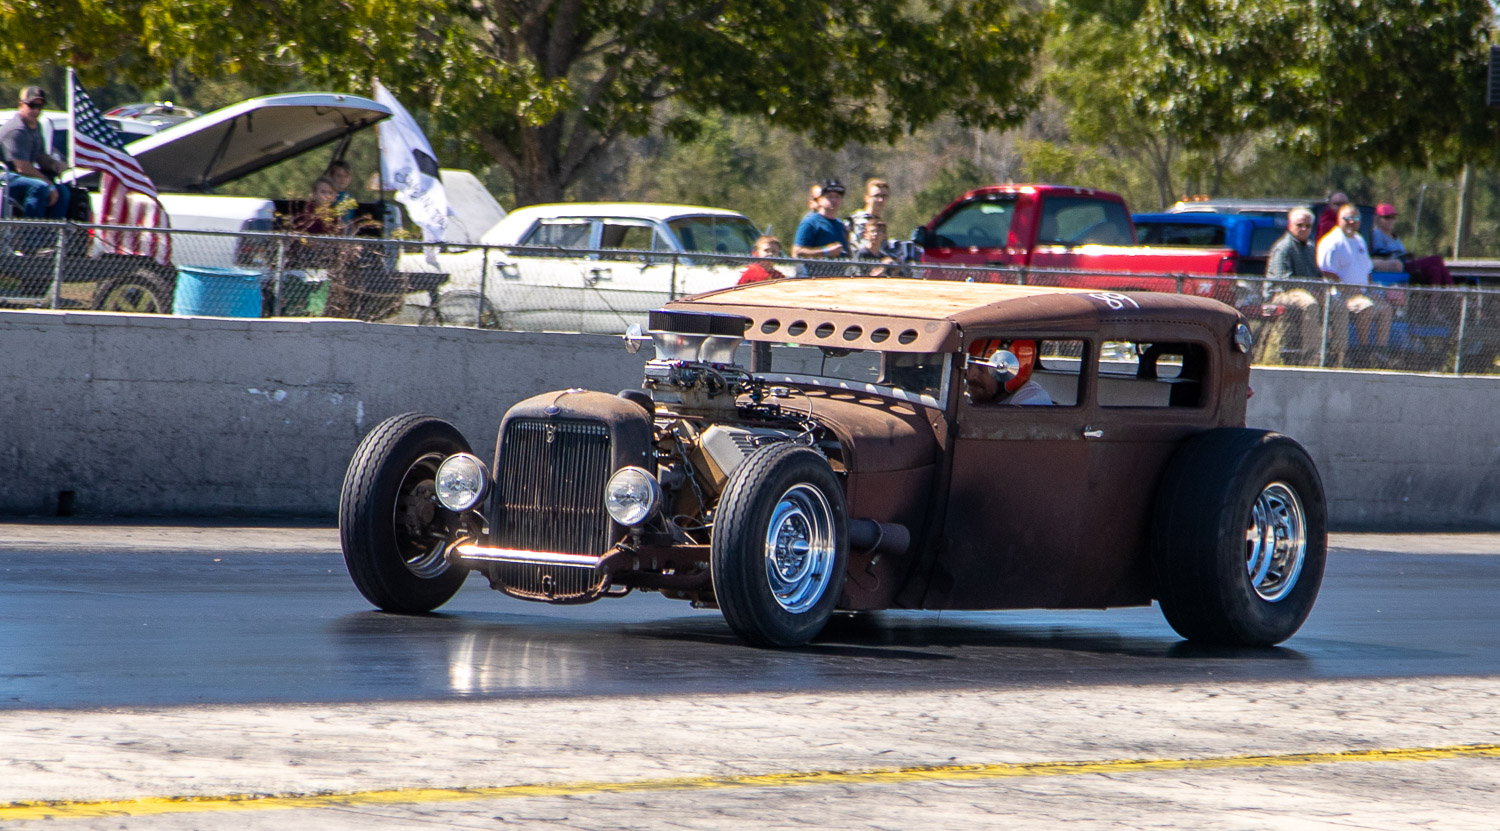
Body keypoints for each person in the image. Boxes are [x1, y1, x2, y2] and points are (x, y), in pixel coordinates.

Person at [1261, 207, 1349, 366]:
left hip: (1306, 291)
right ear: (1290, 225)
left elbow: (1317, 276)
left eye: (1308, 226)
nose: (1303, 229)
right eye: (1299, 225)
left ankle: (1339, 354)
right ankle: (1312, 354)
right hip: (1280, 294)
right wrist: (1312, 290)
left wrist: (1321, 290)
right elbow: (1283, 280)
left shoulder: (1310, 248)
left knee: (1338, 305)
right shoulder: (1283, 247)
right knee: (1310, 304)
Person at [1318, 203, 1392, 357]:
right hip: (1340, 296)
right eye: (1347, 218)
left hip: (1362, 294)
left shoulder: (1359, 239)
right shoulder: (1332, 241)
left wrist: (1372, 290)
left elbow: (1368, 269)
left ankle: (1381, 352)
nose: (1352, 222)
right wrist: (1346, 288)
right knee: (1366, 307)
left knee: (1386, 309)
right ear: (1339, 219)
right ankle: (1363, 351)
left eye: (1356, 219)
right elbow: (1325, 271)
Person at [0, 86, 70, 219]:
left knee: (63, 192)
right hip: (4, 177)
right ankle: (31, 230)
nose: (36, 110)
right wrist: (49, 185)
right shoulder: (16, 130)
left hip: (20, 177)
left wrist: (54, 164)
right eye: (31, 105)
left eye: (40, 106)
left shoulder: (36, 126)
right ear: (21, 104)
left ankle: (51, 231)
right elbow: (22, 168)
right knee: (40, 187)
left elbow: (40, 156)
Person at [1371, 203, 1452, 286]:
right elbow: (1380, 252)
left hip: (1407, 261)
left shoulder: (1394, 236)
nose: (1391, 221)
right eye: (1387, 218)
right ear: (1378, 219)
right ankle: (1451, 288)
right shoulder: (1378, 234)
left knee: (1435, 269)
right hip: (1399, 263)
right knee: (1437, 259)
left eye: (1393, 218)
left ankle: (1438, 293)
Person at [964, 339, 1053, 406]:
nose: (969, 376)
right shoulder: (977, 397)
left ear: (1011, 371)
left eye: (981, 369)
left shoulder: (1033, 401)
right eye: (969, 366)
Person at [792, 179, 850, 276]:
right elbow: (797, 251)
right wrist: (826, 251)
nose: (834, 200)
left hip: (836, 279)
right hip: (813, 279)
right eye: (829, 196)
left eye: (837, 197)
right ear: (820, 200)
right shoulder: (810, 223)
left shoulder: (841, 225)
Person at [845, 178, 889, 247]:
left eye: (884, 196)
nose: (881, 200)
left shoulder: (881, 224)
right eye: (876, 196)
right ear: (866, 198)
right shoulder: (854, 221)